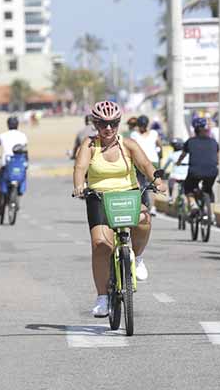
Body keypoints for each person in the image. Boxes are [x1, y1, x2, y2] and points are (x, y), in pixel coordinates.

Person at [72, 101, 166, 317]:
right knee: (100, 244)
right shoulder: (89, 145)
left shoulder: (128, 144)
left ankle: (138, 257)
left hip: (128, 195)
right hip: (99, 197)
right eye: (103, 124)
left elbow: (146, 165)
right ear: (95, 124)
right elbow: (80, 168)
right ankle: (102, 297)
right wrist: (79, 185)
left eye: (113, 123)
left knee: (144, 220)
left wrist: (157, 181)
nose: (108, 128)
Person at [176, 118, 219, 214]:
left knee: (188, 188)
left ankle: (193, 204)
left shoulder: (190, 141)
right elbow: (217, 157)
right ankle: (211, 214)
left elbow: (182, 155)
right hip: (212, 171)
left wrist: (178, 163)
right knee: (208, 190)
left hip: (194, 171)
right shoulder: (213, 142)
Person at [0, 116, 29, 215]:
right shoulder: (23, 136)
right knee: (21, 179)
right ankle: (17, 197)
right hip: (19, 164)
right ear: (17, 124)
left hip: (6, 164)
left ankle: (0, 205)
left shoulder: (2, 135)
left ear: (7, 125)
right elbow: (25, 151)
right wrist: (26, 162)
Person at [130, 115, 162, 217]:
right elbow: (159, 144)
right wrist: (160, 154)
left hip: (140, 162)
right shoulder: (154, 133)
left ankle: (140, 206)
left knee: (139, 183)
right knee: (153, 185)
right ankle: (152, 208)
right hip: (153, 161)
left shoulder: (134, 135)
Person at [161, 138, 189, 204]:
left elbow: (165, 166)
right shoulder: (188, 154)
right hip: (186, 174)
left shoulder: (172, 154)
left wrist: (162, 172)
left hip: (176, 175)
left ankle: (170, 197)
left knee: (170, 180)